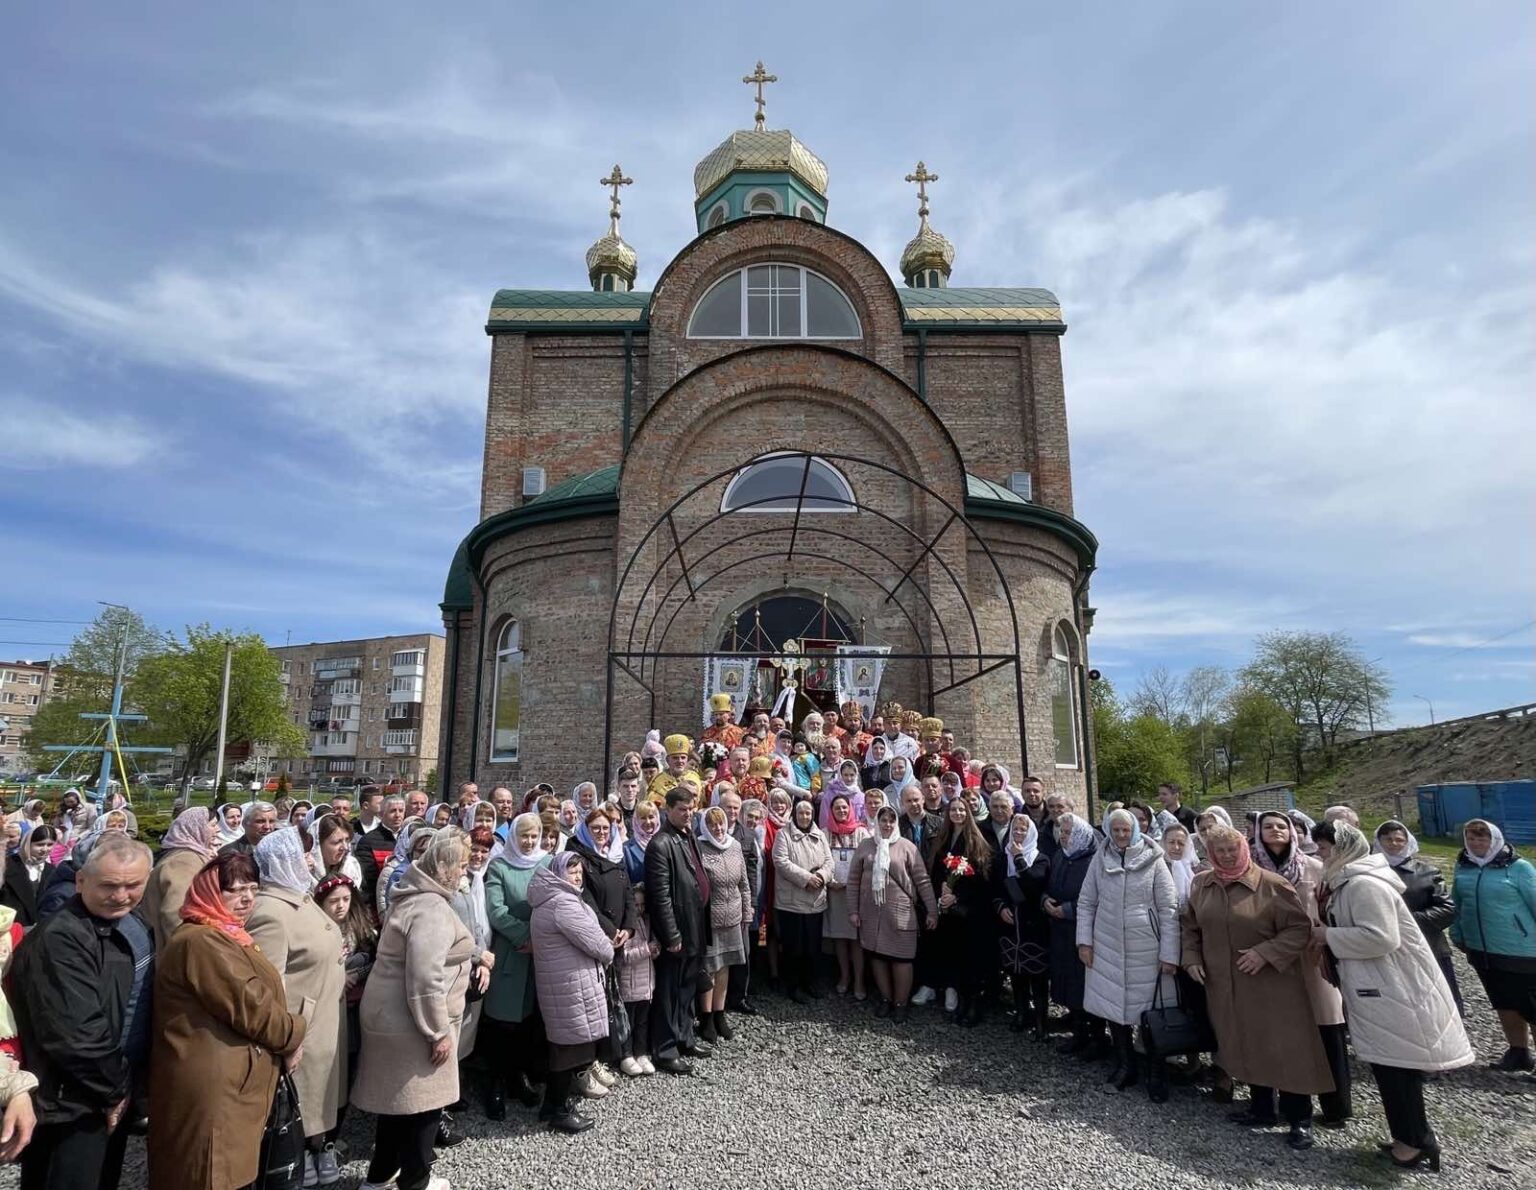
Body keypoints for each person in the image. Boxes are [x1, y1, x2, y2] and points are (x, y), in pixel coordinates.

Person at [1312, 821, 1473, 1171]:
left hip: (1390, 985)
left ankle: (1415, 1141)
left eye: (1324, 848)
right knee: (1389, 1066)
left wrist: (1327, 936)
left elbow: (1381, 937)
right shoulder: (1349, 881)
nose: (1320, 854)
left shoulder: (1364, 885)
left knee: (1396, 1068)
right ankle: (1409, 1137)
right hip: (1378, 983)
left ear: (1342, 848)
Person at [147, 851, 306, 1190]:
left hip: (228, 1081)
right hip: (213, 1090)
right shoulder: (202, 940)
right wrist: (295, 1033)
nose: (247, 898)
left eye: (253, 888)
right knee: (211, 1175)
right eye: (234, 890)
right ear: (209, 892)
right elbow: (252, 1007)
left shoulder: (226, 933)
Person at [11, 834, 154, 1190]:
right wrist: (116, 1090)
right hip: (72, 1102)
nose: (121, 895)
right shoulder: (61, 938)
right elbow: (76, 1034)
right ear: (80, 881)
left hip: (110, 1092)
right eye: (109, 885)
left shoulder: (131, 922)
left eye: (132, 885)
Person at [1182, 824, 1334, 1152]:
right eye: (1219, 850)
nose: (1226, 855)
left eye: (1232, 849)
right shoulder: (1203, 884)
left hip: (1271, 985)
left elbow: (1298, 928)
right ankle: (1262, 1107)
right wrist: (1191, 958)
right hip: (1225, 983)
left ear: (1244, 849)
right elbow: (1190, 926)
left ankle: (1299, 1118)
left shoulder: (1272, 884)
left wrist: (1266, 952)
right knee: (1246, 1043)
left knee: (1286, 1048)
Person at [352, 829, 475, 1190]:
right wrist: (437, 1032)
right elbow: (424, 977)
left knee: (397, 1103)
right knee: (424, 1105)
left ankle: (380, 1177)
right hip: (412, 1023)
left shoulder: (412, 896)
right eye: (461, 864)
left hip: (391, 1016)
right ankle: (416, 1181)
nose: (465, 871)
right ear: (444, 866)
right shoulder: (431, 909)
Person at [246, 827, 347, 1187]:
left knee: (319, 1099)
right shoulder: (270, 912)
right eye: (302, 853)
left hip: (322, 1018)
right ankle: (295, 1156)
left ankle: (316, 1148)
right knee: (299, 1102)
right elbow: (269, 985)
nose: (309, 859)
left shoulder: (299, 894)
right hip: (301, 1026)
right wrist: (286, 1039)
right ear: (284, 859)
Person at [1251, 809, 1350, 1126]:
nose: (1275, 830)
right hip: (1271, 958)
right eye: (1268, 826)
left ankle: (1336, 1106)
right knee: (1282, 1032)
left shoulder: (1314, 867)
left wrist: (1325, 935)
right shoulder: (1251, 868)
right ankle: (1286, 1103)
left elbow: (1330, 906)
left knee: (1327, 1029)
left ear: (1293, 831)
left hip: (1311, 956)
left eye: (1281, 826)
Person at [1077, 808, 1180, 1099]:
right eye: (1116, 830)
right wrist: (1084, 942)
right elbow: (1086, 902)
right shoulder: (1100, 859)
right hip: (1107, 945)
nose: (1121, 835)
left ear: (1134, 830)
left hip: (1146, 949)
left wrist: (1170, 954)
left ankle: (1156, 1071)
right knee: (1114, 1009)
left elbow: (1169, 909)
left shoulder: (1154, 860)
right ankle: (1126, 1065)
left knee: (1150, 1013)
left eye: (1125, 830)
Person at [529, 850, 615, 1134]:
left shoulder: (554, 899)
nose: (577, 877)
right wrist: (608, 946)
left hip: (565, 985)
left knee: (565, 1047)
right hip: (569, 987)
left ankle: (552, 1106)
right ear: (558, 873)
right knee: (568, 1051)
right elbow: (600, 945)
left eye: (579, 872)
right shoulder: (562, 904)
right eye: (571, 871)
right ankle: (559, 1109)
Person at [1450, 817, 1536, 1072]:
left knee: (1532, 1006)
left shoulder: (1519, 868)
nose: (1476, 843)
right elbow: (1457, 903)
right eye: (1471, 838)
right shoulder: (1463, 866)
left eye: (1482, 838)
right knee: (1503, 1002)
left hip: (1522, 951)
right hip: (1482, 950)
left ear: (1495, 839)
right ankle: (1518, 1052)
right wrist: (1457, 931)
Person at [483, 813, 550, 1118]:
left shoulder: (546, 862)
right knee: (503, 1024)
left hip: (540, 954)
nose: (529, 841)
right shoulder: (500, 866)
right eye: (524, 835)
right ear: (513, 837)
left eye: (534, 836)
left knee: (529, 1022)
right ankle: (495, 1083)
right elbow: (496, 911)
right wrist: (525, 935)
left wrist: (540, 937)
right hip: (512, 952)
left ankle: (519, 1077)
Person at [848, 805, 938, 1022]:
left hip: (900, 912)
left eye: (891, 820)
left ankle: (900, 1003)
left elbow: (922, 880)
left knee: (901, 959)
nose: (887, 824)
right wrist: (853, 911)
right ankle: (886, 999)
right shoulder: (866, 845)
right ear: (877, 822)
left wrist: (932, 911)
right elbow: (853, 880)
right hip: (871, 912)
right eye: (883, 820)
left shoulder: (907, 847)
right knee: (878, 956)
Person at [646, 788, 713, 1073]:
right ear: (669, 810)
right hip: (678, 931)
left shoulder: (687, 836)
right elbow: (660, 896)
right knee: (670, 991)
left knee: (687, 988)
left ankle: (685, 1037)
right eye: (682, 809)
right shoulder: (661, 844)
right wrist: (671, 935)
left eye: (691, 809)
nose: (688, 814)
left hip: (695, 925)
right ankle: (665, 1049)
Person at [1373, 820, 1462, 1015]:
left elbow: (1447, 909)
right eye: (1388, 839)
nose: (1394, 844)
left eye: (1399, 840)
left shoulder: (1427, 872)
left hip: (1428, 944)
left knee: (1440, 1005)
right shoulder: (1370, 872)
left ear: (1408, 842)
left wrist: (1406, 921)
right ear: (1378, 842)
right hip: (1388, 947)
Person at [927, 795, 995, 1026]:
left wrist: (957, 895)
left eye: (961, 810)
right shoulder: (943, 839)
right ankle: (962, 1001)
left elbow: (982, 876)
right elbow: (937, 870)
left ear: (968, 813)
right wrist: (943, 888)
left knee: (971, 959)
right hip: (949, 909)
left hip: (970, 910)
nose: (957, 814)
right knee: (955, 955)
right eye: (953, 810)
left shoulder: (976, 840)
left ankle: (974, 1005)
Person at [1045, 813, 1104, 1057]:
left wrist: (1068, 910)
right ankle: (1079, 1033)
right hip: (1060, 931)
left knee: (1087, 985)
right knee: (1069, 983)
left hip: (1085, 932)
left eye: (1069, 832)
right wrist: (1045, 901)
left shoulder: (1094, 860)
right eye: (1062, 831)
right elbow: (1048, 885)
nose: (1063, 836)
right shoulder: (1061, 855)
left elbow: (1098, 898)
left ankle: (1098, 1038)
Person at [695, 806, 752, 1043]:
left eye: (721, 823)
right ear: (705, 827)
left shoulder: (734, 846)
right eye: (712, 824)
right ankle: (706, 1017)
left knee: (725, 967)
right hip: (710, 919)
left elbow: (744, 883)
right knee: (710, 968)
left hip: (733, 917)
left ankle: (720, 1014)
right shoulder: (699, 846)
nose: (718, 828)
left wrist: (747, 912)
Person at [993, 813, 1052, 1038]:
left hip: (1032, 925)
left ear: (1031, 833)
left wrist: (1019, 859)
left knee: (1037, 976)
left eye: (1023, 830)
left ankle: (1041, 1021)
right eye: (1015, 829)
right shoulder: (1002, 858)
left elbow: (1033, 886)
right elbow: (995, 887)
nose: (1018, 833)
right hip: (1010, 924)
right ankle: (1021, 1013)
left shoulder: (1040, 859)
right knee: (1016, 973)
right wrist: (1000, 907)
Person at [773, 797, 834, 1004]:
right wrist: (807, 879)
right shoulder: (783, 835)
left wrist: (821, 877)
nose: (805, 816)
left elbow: (829, 861)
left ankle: (811, 982)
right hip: (792, 902)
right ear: (794, 814)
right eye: (801, 813)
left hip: (815, 901)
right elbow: (781, 861)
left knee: (813, 947)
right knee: (794, 947)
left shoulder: (820, 835)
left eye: (808, 813)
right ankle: (793, 985)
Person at [140, 806, 218, 951]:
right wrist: (191, 953)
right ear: (195, 828)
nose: (218, 830)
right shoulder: (185, 861)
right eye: (212, 825)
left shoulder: (191, 855)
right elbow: (176, 915)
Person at [821, 792, 869, 999]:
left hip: (855, 893)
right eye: (837, 808)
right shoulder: (824, 833)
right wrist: (829, 880)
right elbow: (820, 860)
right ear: (830, 811)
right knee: (839, 937)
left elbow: (868, 861)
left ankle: (859, 980)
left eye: (844, 807)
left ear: (850, 809)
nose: (841, 810)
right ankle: (844, 976)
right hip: (835, 892)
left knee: (856, 938)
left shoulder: (861, 832)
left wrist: (855, 882)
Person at [616, 883, 658, 1078]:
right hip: (630, 983)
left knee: (642, 1022)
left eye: (642, 905)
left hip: (645, 984)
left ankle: (640, 1053)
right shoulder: (626, 926)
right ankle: (626, 1055)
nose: (639, 909)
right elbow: (624, 956)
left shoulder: (647, 922)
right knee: (628, 1023)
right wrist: (647, 949)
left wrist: (654, 952)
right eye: (636, 905)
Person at [1, 824, 58, 928]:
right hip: (10, 927)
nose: (45, 849)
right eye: (40, 844)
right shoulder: (7, 865)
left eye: (50, 844)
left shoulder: (51, 870)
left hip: (37, 929)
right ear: (27, 844)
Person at [354, 794, 406, 907]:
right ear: (381, 814)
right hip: (379, 904)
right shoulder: (368, 841)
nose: (398, 815)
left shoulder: (409, 838)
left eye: (401, 811)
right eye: (393, 811)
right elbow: (367, 882)